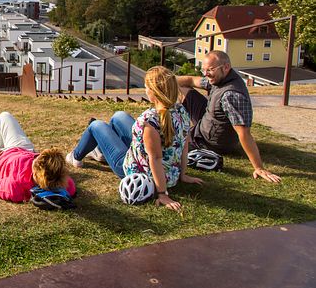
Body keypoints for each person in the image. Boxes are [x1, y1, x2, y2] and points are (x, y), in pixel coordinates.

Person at [66, 66, 203, 211]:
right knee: (118, 116)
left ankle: (76, 156)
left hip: (138, 172)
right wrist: (182, 175)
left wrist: (162, 194)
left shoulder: (149, 121)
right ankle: (101, 151)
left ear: (153, 92)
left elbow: (155, 159)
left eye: (146, 88)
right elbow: (184, 146)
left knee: (96, 125)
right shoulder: (181, 111)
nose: (145, 90)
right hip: (170, 173)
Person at [176, 50, 281, 183]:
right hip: (210, 120)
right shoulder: (220, 78)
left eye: (210, 70)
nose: (206, 74)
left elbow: (244, 133)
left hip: (211, 141)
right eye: (204, 70)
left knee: (173, 140)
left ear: (226, 67)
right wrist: (166, 80)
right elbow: (191, 80)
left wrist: (258, 167)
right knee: (182, 88)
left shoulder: (231, 95)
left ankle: (176, 125)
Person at [0, 111, 76, 203]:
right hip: (22, 149)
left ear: (36, 175)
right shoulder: (66, 184)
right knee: (4, 116)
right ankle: (1, 146)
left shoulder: (15, 186)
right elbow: (69, 185)